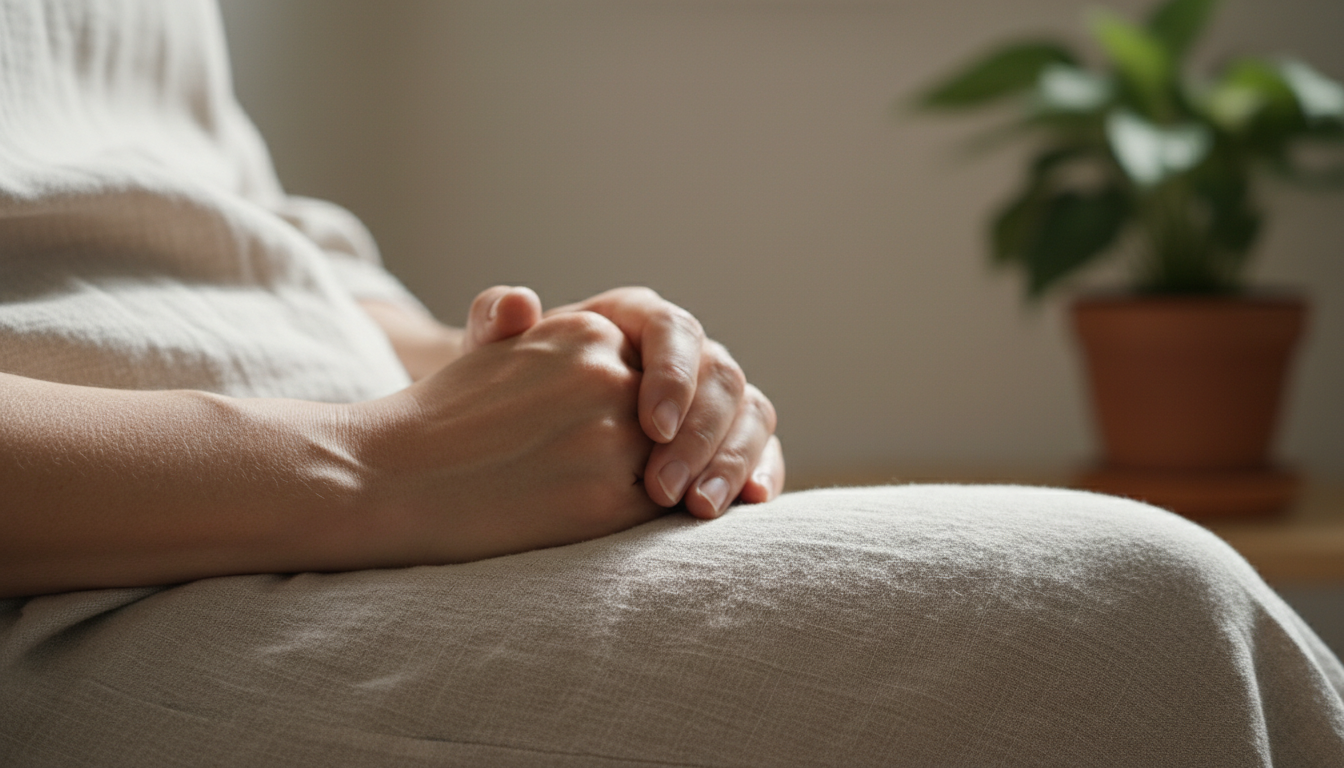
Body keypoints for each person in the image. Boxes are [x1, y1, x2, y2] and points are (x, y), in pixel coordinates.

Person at [2, 2, 1343, 766]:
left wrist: (550, 373)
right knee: (1121, 621)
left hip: (351, 483)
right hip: (104, 563)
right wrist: (372, 464)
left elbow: (234, 232)